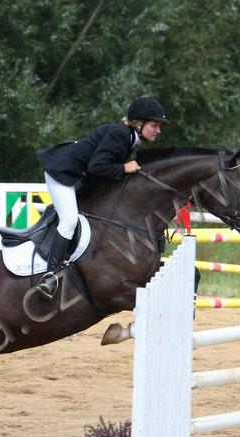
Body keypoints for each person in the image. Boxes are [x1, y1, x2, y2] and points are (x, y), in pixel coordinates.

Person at [34, 96, 169, 300]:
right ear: (139, 123)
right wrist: (124, 168)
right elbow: (96, 167)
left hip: (78, 175)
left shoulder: (129, 138)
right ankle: (49, 277)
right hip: (62, 173)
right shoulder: (120, 134)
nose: (158, 130)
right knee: (69, 221)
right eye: (154, 125)